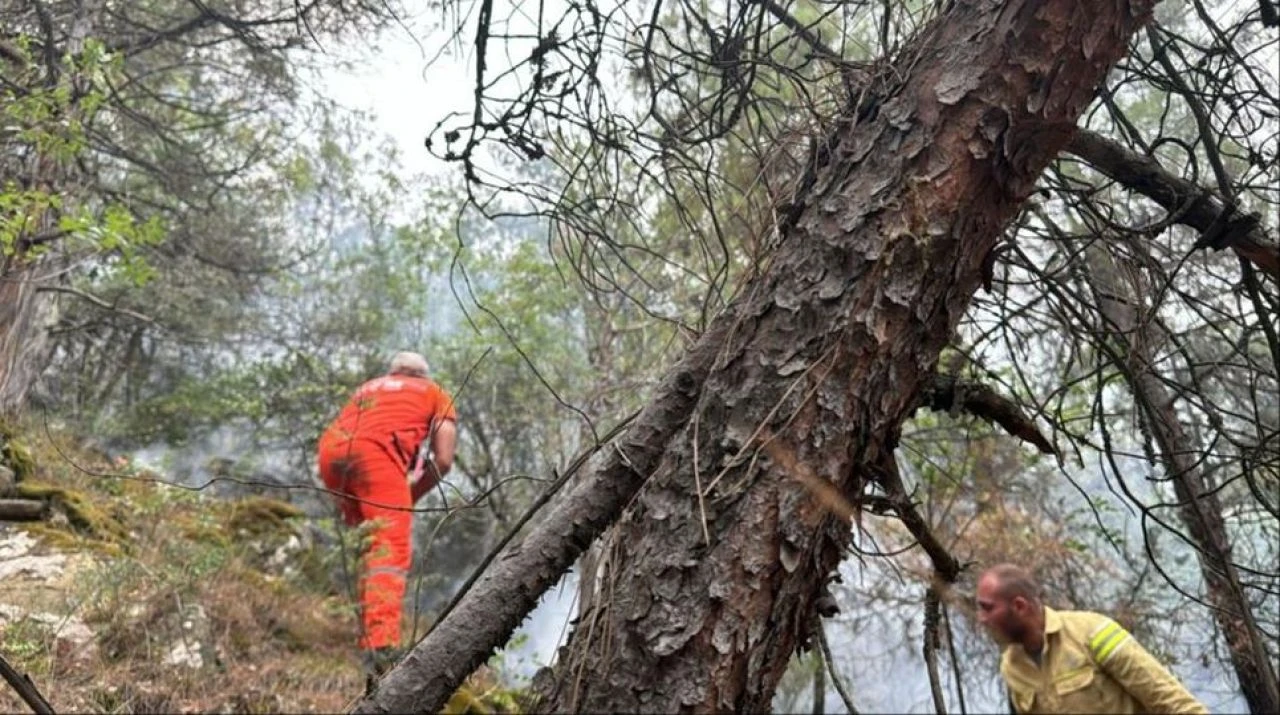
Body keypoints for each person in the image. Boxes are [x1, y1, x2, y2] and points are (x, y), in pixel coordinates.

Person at [317, 351, 457, 684]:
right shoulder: (434, 392)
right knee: (388, 552)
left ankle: (351, 618)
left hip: (331, 453)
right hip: (375, 457)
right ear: (422, 375)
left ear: (393, 372)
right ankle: (380, 650)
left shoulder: (368, 387)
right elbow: (445, 459)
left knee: (367, 543)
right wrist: (409, 497)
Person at [975, 563, 1207, 714]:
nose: (982, 619)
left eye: (988, 608)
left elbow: (1171, 701)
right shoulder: (1011, 668)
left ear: (1019, 606)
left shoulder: (1091, 632)